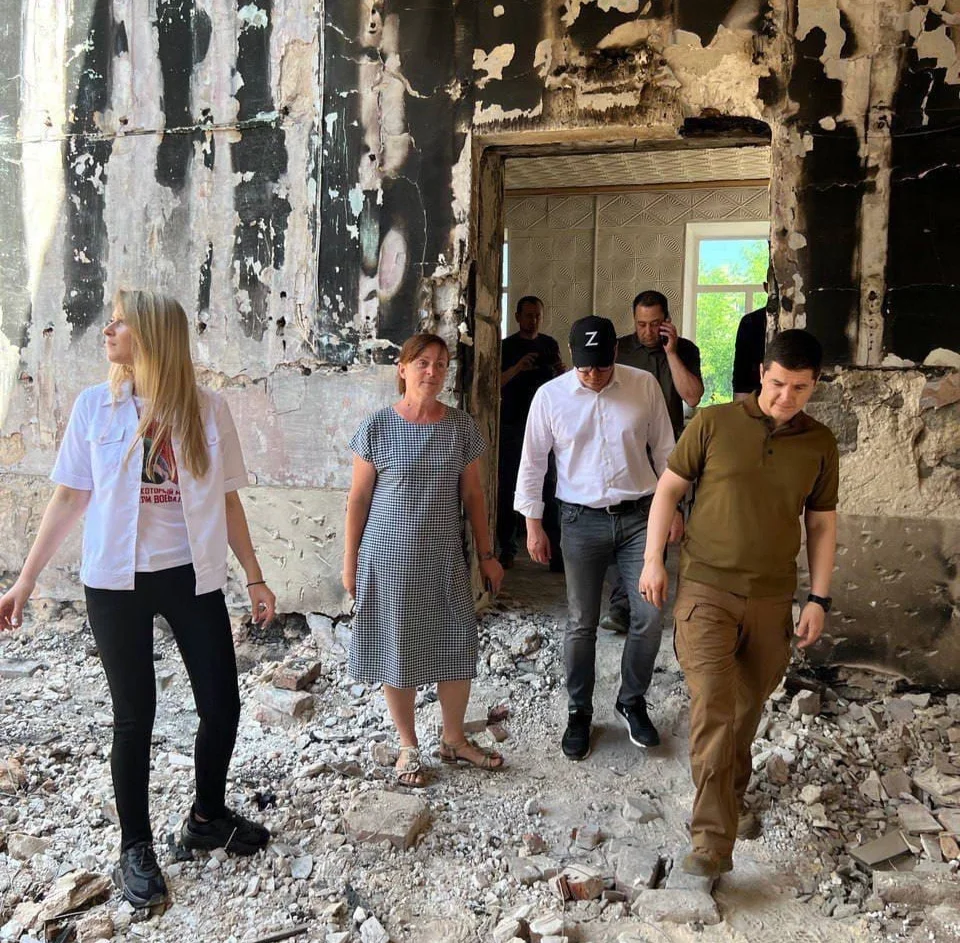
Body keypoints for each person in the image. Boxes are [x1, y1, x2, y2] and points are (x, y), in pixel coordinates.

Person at [0, 290, 275, 909]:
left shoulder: (207, 408)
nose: (109, 329)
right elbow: (69, 497)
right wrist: (25, 580)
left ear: (150, 335)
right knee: (135, 716)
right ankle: (135, 847)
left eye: (121, 322)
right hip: (115, 582)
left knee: (222, 705)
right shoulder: (95, 406)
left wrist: (255, 576)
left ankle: (206, 818)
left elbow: (228, 499)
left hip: (191, 575)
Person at [639, 329, 838, 878]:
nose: (786, 397)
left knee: (746, 711)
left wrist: (818, 598)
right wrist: (653, 559)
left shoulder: (820, 443)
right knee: (715, 708)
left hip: (772, 599)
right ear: (761, 374)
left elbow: (821, 525)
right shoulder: (713, 423)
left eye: (800, 388)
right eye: (778, 384)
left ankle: (730, 796)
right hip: (706, 590)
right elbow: (668, 489)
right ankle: (711, 841)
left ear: (814, 385)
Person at [515, 316, 682, 761]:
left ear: (615, 354)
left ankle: (632, 701)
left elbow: (666, 452)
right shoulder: (550, 396)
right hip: (579, 520)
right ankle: (579, 712)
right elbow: (533, 463)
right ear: (572, 357)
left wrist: (674, 510)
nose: (593, 375)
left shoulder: (643, 385)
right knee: (581, 621)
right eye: (585, 367)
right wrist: (533, 524)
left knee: (649, 614)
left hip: (640, 518)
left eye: (602, 366)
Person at [343, 333, 505, 788]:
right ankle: (408, 745)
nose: (433, 372)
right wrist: (349, 562)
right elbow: (358, 499)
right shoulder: (377, 427)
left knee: (456, 645)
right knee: (398, 647)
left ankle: (453, 739)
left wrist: (487, 555)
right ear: (403, 368)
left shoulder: (460, 427)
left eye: (441, 364)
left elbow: (473, 495)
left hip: (443, 558)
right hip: (387, 560)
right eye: (423, 363)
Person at [600, 290, 703, 634]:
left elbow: (692, 396)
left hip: (667, 451)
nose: (647, 331)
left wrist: (671, 352)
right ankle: (621, 604)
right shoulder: (619, 349)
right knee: (620, 524)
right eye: (641, 324)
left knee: (658, 525)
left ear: (667, 322)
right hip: (625, 448)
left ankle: (644, 597)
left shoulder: (685, 350)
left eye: (654, 324)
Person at [498, 296, 565, 569]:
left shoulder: (549, 345)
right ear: (517, 317)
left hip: (546, 426)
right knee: (509, 488)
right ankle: (507, 549)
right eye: (528, 315)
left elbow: (559, 384)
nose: (533, 320)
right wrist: (518, 367)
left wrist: (561, 372)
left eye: (537, 315)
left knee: (549, 488)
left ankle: (554, 553)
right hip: (512, 425)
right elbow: (493, 383)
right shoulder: (506, 347)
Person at [732, 264, 778, 401]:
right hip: (756, 397)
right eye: (775, 287)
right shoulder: (751, 322)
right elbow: (742, 373)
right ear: (766, 287)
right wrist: (741, 408)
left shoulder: (803, 321)